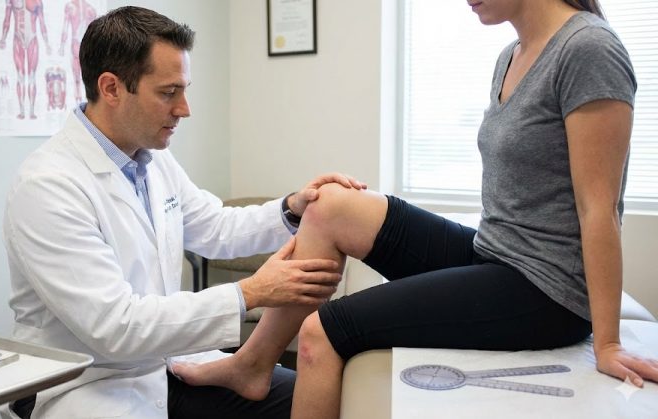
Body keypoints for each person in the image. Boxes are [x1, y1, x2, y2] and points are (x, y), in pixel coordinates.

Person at [173, 1, 658, 417]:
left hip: (546, 291)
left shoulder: (588, 49)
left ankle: (264, 365)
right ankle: (253, 364)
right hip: (494, 254)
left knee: (323, 332)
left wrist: (608, 342)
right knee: (330, 207)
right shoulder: (512, 55)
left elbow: (599, 209)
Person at [3, 6, 364, 419]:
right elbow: (115, 327)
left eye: (184, 89)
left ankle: (251, 365)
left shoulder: (151, 159)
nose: (185, 108)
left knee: (314, 397)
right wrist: (251, 293)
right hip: (87, 384)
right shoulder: (48, 186)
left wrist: (291, 208)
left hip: (167, 362)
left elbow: (216, 227)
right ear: (112, 88)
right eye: (168, 92)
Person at [0, 0, 51, 120]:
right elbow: (7, 19)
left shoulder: (37, 2)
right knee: (20, 76)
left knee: (31, 76)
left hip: (32, 39)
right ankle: (22, 110)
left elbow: (42, 23)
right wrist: (3, 38)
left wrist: (47, 43)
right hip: (18, 38)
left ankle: (31, 110)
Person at [58, 0, 97, 105]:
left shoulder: (88, 9)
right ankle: (79, 102)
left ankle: (81, 103)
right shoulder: (88, 9)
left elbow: (65, 28)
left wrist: (62, 46)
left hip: (80, 44)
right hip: (80, 45)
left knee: (80, 78)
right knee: (78, 77)